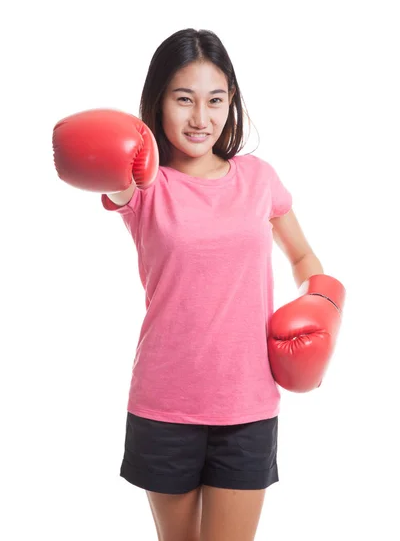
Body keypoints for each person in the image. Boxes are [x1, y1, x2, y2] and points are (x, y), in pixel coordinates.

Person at [52, 28, 345, 541]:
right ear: (159, 101)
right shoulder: (144, 185)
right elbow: (104, 160)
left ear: (231, 103)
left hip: (247, 404)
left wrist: (319, 300)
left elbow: (302, 255)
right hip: (165, 403)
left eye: (215, 100)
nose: (200, 118)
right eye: (184, 99)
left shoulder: (258, 178)